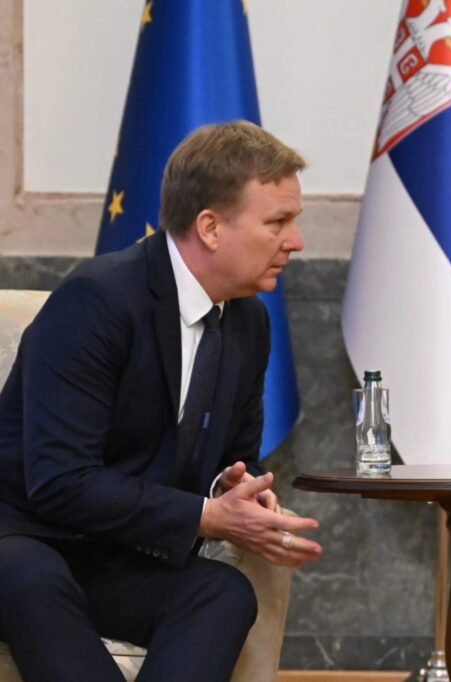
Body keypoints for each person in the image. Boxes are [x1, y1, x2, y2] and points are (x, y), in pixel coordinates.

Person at [0, 121, 323, 682]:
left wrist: (239, 495)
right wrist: (208, 516)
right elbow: (58, 481)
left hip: (116, 554)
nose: (295, 241)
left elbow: (236, 456)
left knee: (222, 592)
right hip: (24, 537)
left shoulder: (248, 321)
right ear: (210, 227)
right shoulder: (97, 301)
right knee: (32, 578)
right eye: (277, 222)